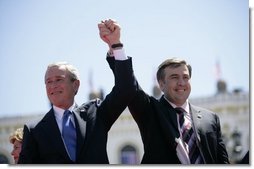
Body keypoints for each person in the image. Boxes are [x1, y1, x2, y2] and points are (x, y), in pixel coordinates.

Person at [102, 19, 229, 164]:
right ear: (161, 84)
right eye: (174, 77)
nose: (181, 82)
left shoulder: (210, 119)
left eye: (186, 77)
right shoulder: (151, 111)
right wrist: (116, 45)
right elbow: (129, 85)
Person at [18, 20, 137, 164]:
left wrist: (115, 45)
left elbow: (125, 89)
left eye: (58, 79)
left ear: (75, 85)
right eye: (48, 82)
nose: (53, 85)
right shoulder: (34, 130)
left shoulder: (96, 113)